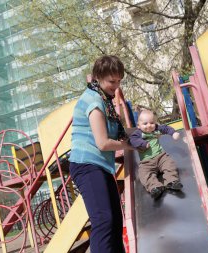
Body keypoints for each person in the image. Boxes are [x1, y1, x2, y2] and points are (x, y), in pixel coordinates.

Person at [69, 55, 132, 253]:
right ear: (98, 77)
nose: (116, 86)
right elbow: (103, 143)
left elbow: (119, 133)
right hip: (86, 166)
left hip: (101, 167)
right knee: (104, 220)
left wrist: (143, 134)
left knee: (115, 220)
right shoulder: (94, 101)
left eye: (119, 81)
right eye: (112, 81)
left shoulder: (105, 101)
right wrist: (131, 146)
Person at [129, 110, 183, 199]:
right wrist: (142, 143)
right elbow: (132, 140)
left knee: (170, 164)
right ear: (138, 126)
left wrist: (173, 133)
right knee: (143, 174)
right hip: (146, 162)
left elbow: (166, 128)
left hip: (161, 156)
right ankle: (155, 187)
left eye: (152, 123)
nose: (149, 125)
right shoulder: (138, 133)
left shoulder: (157, 128)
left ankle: (171, 181)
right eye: (145, 123)